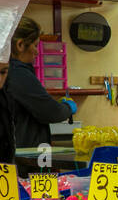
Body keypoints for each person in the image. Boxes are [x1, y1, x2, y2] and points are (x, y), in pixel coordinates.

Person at [6, 16, 73, 149]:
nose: (37, 51)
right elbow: (51, 112)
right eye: (35, 45)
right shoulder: (18, 74)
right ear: (20, 45)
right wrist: (68, 107)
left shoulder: (6, 70)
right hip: (24, 154)